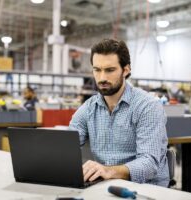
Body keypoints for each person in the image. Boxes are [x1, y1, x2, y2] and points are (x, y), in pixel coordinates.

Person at [69, 39, 169, 187]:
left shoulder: (147, 106)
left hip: (145, 188)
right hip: (104, 186)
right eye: (97, 69)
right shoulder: (88, 108)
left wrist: (109, 171)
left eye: (110, 70)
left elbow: (149, 163)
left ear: (126, 70)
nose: (102, 78)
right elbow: (67, 146)